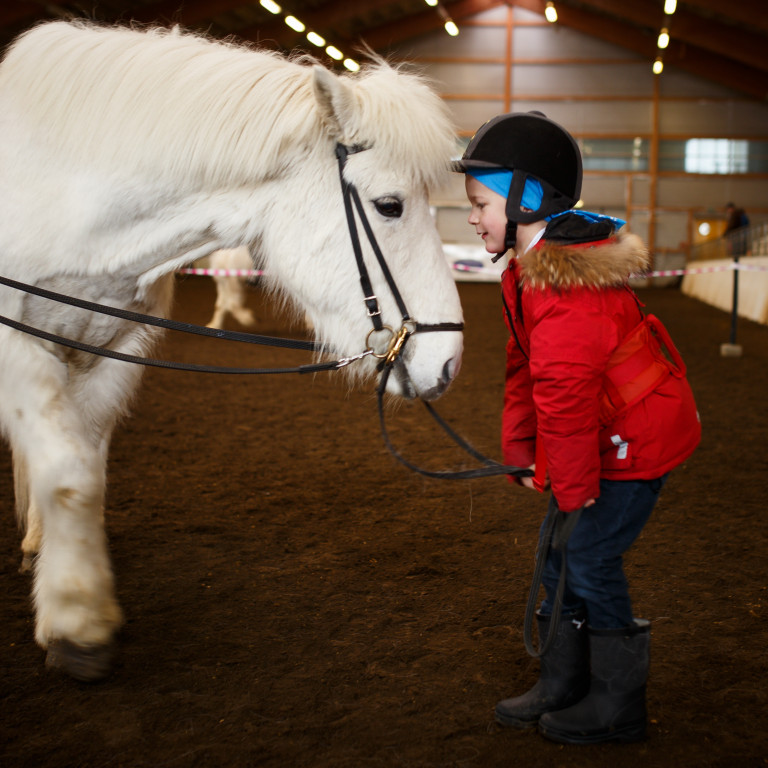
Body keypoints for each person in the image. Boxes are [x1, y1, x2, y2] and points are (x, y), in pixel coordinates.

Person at [454, 112, 701, 745]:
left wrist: (569, 480)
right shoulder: (528, 270)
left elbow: (565, 391)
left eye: (480, 203)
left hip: (635, 439)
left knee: (587, 558)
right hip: (599, 436)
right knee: (559, 557)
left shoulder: (562, 285)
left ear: (527, 197)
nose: (474, 217)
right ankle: (565, 680)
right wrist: (522, 450)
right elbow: (525, 368)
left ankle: (618, 704)